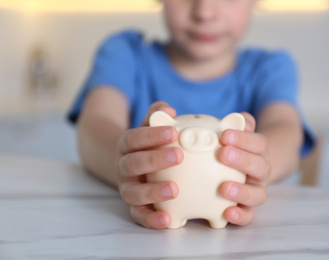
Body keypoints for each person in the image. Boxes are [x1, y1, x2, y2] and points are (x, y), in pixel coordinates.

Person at [68, 0, 314, 229]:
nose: (204, 12)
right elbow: (95, 124)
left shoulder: (270, 69)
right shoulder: (124, 54)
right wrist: (124, 162)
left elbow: (286, 130)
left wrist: (258, 163)